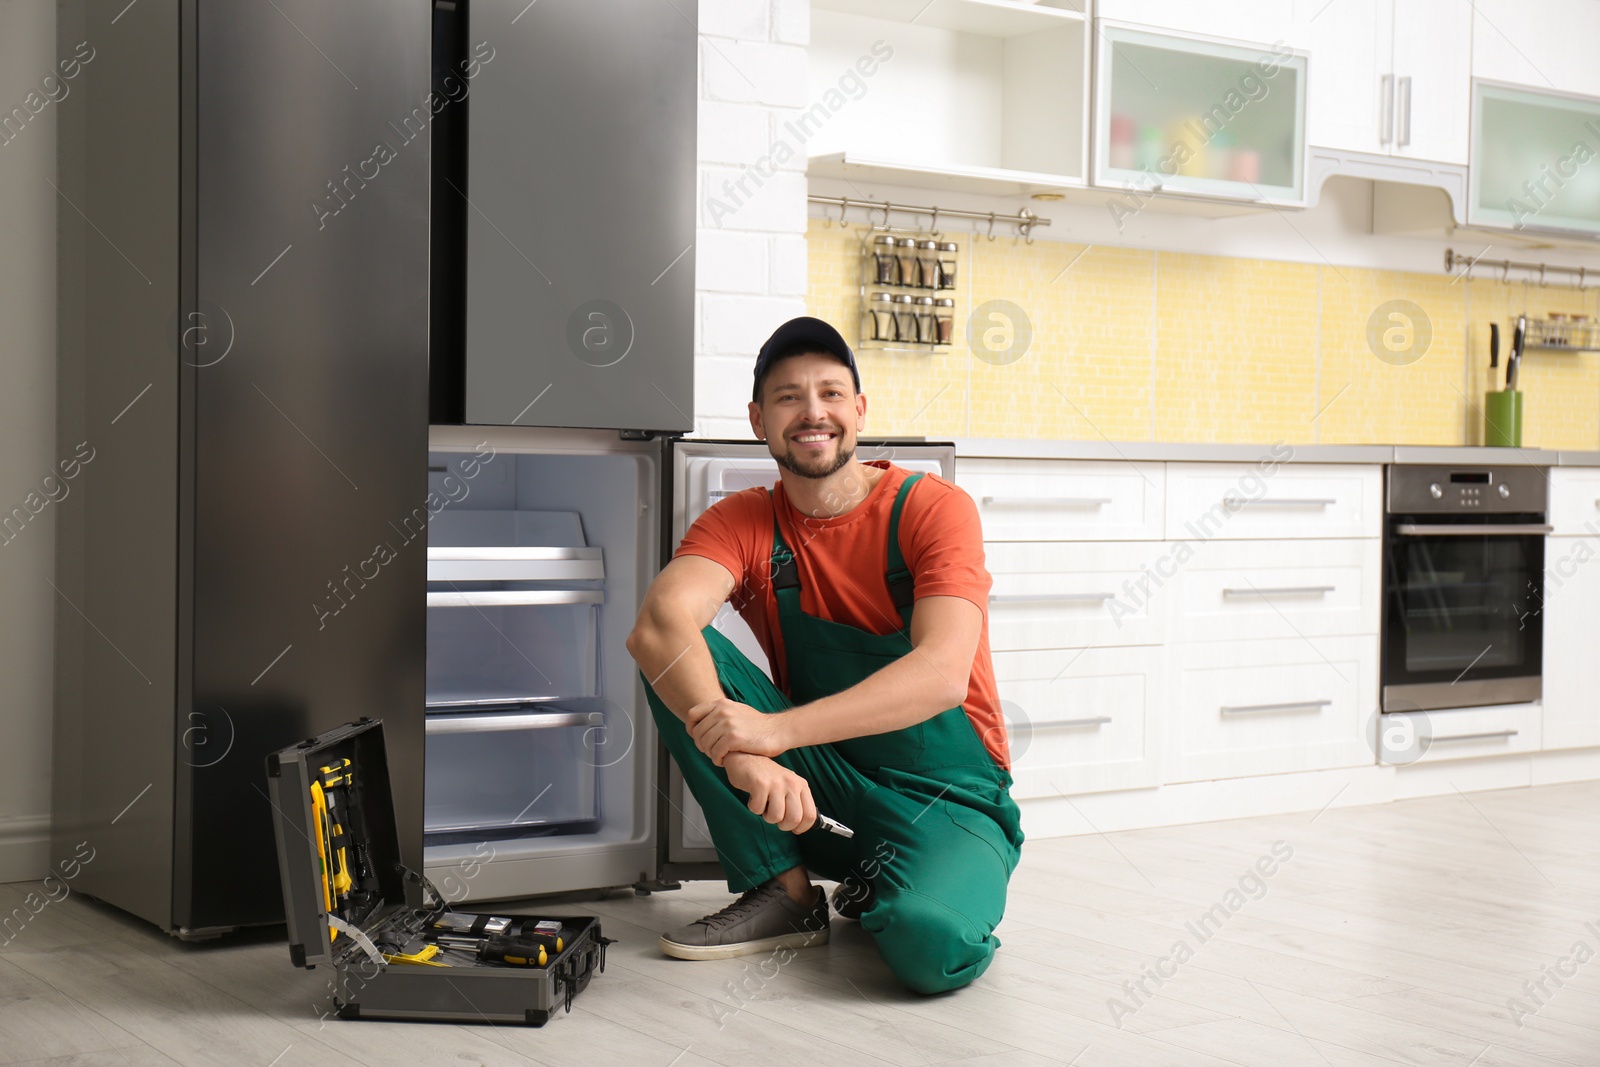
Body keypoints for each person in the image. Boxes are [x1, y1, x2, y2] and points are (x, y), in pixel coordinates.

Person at [625, 316, 1023, 995]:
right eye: (788, 397)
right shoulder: (746, 519)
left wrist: (774, 732)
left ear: (859, 410)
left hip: (948, 802)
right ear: (758, 418)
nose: (813, 412)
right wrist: (744, 754)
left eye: (831, 393)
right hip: (822, 789)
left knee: (930, 946)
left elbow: (941, 674)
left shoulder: (932, 509)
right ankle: (785, 892)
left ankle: (897, 889)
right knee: (676, 650)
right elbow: (660, 625)